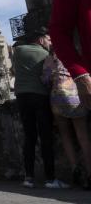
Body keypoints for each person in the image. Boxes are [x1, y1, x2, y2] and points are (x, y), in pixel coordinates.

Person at [13, 27, 69, 189]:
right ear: (40, 40)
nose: (50, 42)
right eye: (48, 39)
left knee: (29, 137)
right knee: (45, 137)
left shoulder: (18, 51)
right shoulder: (46, 55)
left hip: (22, 97)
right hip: (39, 96)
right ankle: (50, 179)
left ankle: (28, 178)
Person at [43, 53, 91, 188]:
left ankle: (75, 169)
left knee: (65, 136)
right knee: (83, 137)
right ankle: (90, 174)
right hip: (75, 96)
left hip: (57, 99)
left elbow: (45, 80)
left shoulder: (50, 58)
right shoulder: (77, 54)